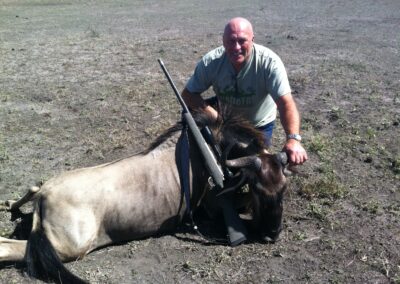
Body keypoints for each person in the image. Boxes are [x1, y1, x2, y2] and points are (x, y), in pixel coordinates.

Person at [182, 17, 307, 165]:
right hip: (226, 122)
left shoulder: (269, 63)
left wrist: (293, 139)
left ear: (252, 39)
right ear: (223, 41)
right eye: (231, 41)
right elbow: (187, 95)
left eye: (242, 41)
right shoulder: (211, 62)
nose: (236, 47)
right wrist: (216, 117)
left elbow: (286, 104)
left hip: (258, 125)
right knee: (221, 161)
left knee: (254, 168)